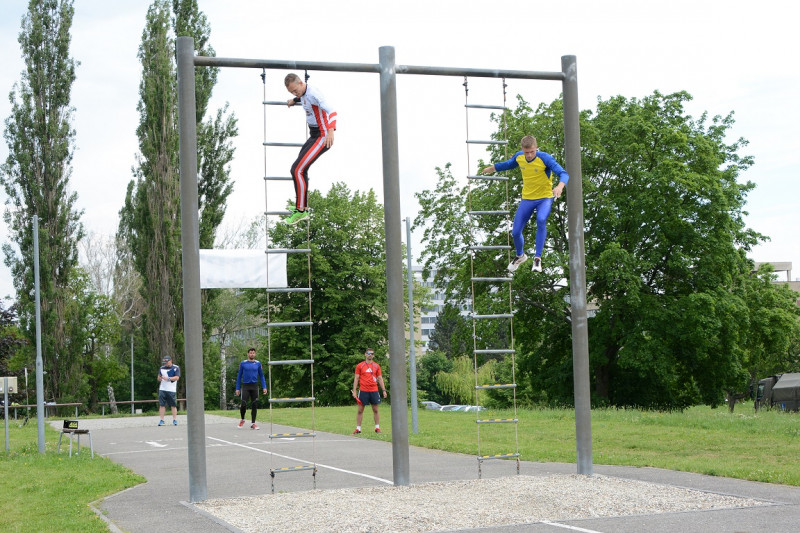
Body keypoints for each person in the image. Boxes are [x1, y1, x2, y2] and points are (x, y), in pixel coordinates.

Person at [482, 135, 569, 273]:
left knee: (541, 219)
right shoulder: (519, 157)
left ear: (536, 148)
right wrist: (492, 168)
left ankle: (537, 258)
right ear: (522, 149)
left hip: (544, 198)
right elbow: (508, 164)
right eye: (526, 152)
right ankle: (520, 256)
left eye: (532, 152)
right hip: (527, 199)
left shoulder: (545, 158)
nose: (529, 155)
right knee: (516, 232)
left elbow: (563, 173)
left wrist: (560, 186)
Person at [283, 73, 337, 225]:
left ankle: (301, 211)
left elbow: (332, 111)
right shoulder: (302, 94)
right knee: (301, 169)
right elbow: (302, 97)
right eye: (292, 92)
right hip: (314, 135)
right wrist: (294, 100)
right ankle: (302, 206)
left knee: (296, 169)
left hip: (323, 136)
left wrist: (331, 130)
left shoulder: (314, 94)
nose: (295, 94)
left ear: (301, 83)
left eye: (295, 91)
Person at [351, 348, 387, 435]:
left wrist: (384, 390)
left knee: (375, 409)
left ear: (373, 356)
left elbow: (380, 378)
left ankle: (377, 428)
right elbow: (356, 378)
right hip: (363, 390)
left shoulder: (376, 366)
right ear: (365, 354)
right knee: (360, 410)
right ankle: (358, 429)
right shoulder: (360, 366)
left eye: (372, 353)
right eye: (368, 353)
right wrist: (354, 390)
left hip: (374, 390)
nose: (370, 355)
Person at [235, 347, 268, 430]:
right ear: (248, 354)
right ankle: (242, 419)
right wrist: (237, 388)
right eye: (250, 353)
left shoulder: (258, 363)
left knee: (254, 404)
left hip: (254, 386)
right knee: (243, 403)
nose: (252, 354)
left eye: (253, 353)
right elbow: (239, 376)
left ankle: (253, 423)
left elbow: (261, 376)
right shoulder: (243, 363)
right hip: (246, 386)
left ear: (255, 354)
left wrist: (264, 387)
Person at [157, 356, 180, 426]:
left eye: (166, 362)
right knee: (162, 405)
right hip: (162, 388)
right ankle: (161, 420)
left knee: (173, 405)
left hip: (171, 389)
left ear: (170, 361)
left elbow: (177, 377)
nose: (165, 364)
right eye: (164, 362)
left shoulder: (176, 368)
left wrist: (168, 378)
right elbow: (158, 377)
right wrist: (160, 378)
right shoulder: (161, 368)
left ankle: (174, 419)